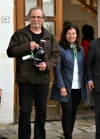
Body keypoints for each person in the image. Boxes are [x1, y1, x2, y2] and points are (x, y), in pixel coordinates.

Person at [6, 6, 60, 139]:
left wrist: (47, 65)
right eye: (33, 16)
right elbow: (10, 52)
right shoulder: (20, 34)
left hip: (42, 79)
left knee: (41, 112)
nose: (36, 19)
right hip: (25, 79)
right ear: (29, 18)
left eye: (39, 17)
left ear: (43, 20)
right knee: (25, 111)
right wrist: (26, 47)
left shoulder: (49, 36)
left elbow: (56, 55)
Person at [50, 24, 87, 139]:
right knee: (67, 112)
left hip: (78, 86)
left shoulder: (80, 49)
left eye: (74, 33)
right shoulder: (60, 49)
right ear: (65, 35)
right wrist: (61, 86)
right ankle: (68, 136)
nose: (71, 36)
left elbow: (83, 68)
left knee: (73, 112)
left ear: (77, 35)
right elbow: (57, 69)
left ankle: (68, 134)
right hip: (65, 86)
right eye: (69, 33)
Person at [81, 24, 95, 109]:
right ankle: (92, 103)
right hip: (93, 65)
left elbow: (85, 54)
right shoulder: (93, 41)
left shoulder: (85, 42)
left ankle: (88, 103)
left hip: (86, 65)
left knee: (87, 85)